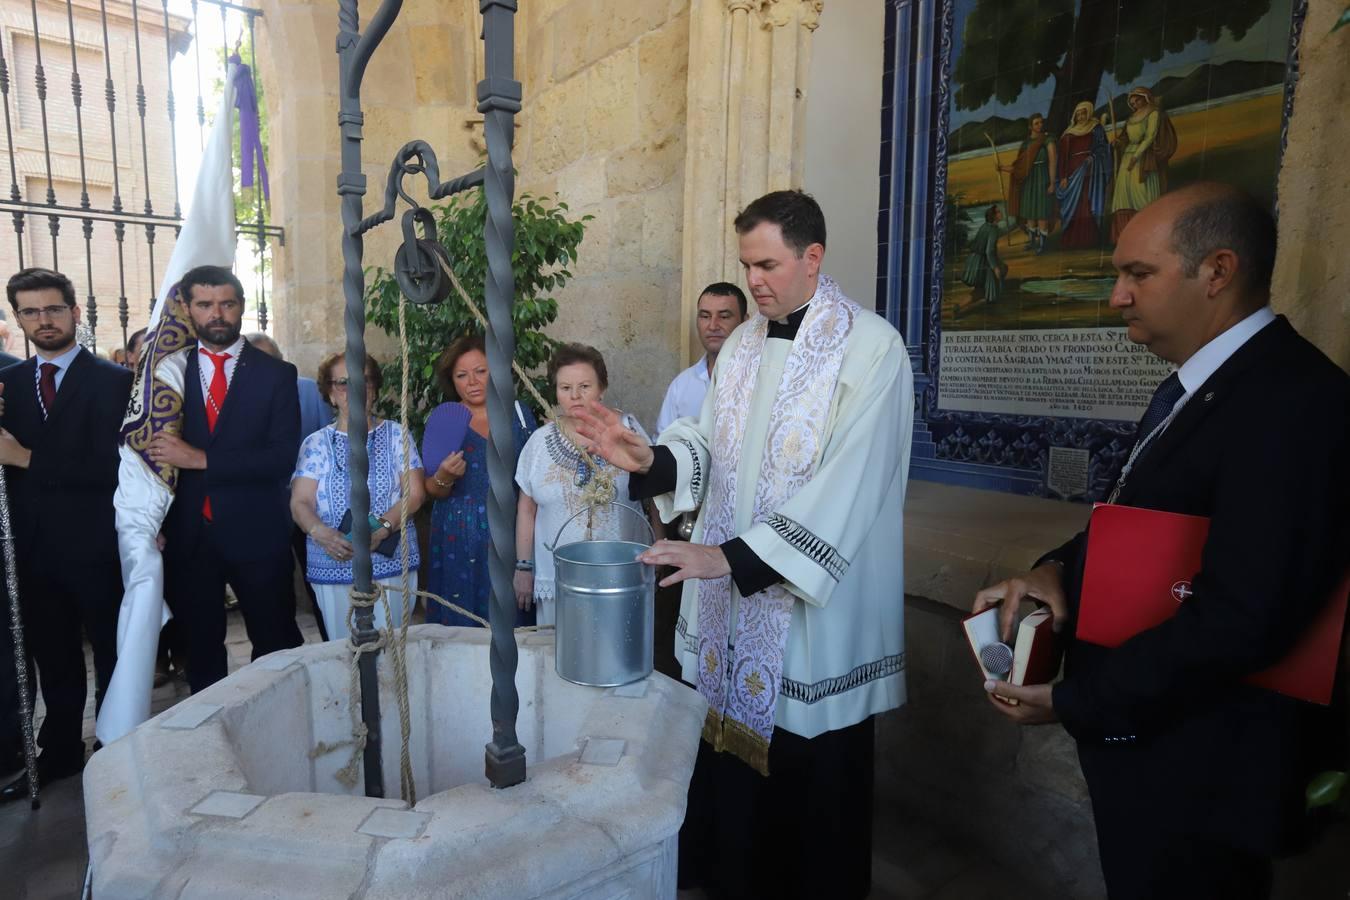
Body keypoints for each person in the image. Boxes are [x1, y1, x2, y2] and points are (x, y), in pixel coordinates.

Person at [973, 184, 1350, 900]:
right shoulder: (1194, 386)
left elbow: (1244, 617)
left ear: (1216, 271)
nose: (1117, 297)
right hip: (1156, 750)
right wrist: (1056, 570)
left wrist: (1074, 700)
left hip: (1208, 766)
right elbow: (1136, 516)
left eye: (1137, 275)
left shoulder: (1292, 403)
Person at [578, 190, 914, 899]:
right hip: (731, 614)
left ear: (812, 257)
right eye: (746, 265)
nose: (755, 280)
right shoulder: (742, 346)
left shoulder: (872, 348)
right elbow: (710, 443)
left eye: (767, 264)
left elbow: (853, 483)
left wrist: (728, 559)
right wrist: (652, 462)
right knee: (728, 779)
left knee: (812, 791)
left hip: (812, 622)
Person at [0, 267, 131, 802]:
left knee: (111, 651)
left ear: (76, 312)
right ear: (18, 319)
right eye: (30, 311)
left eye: (53, 309)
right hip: (32, 549)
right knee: (53, 657)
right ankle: (58, 752)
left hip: (98, 544)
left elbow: (111, 466)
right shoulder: (6, 386)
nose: (43, 320)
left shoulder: (114, 382)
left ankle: (116, 746)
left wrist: (26, 457)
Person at [152, 265, 303, 693]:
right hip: (187, 535)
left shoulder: (277, 374)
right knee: (200, 650)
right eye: (204, 304)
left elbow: (280, 458)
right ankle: (212, 737)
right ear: (187, 308)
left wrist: (199, 459)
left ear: (240, 306)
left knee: (275, 644)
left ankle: (279, 728)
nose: (216, 313)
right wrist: (151, 523)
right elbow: (143, 457)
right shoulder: (166, 373)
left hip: (258, 532)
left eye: (227, 303)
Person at [514, 344, 649, 627]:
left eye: (584, 386)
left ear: (602, 388)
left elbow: (654, 496)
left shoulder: (628, 431)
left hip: (621, 575)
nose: (574, 396)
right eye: (565, 388)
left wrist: (659, 545)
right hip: (558, 578)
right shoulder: (539, 443)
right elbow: (527, 509)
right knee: (556, 657)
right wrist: (524, 567)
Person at [290, 352, 424, 640]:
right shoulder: (314, 444)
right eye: (343, 383)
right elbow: (300, 503)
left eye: (363, 382)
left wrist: (382, 528)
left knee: (394, 648)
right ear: (330, 393)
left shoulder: (397, 435)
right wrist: (320, 531)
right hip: (332, 561)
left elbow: (414, 494)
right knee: (344, 649)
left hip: (390, 562)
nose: (354, 391)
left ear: (374, 390)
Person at [421, 334, 535, 628]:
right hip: (457, 537)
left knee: (513, 622)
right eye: (462, 375)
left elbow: (534, 480)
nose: (472, 381)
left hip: (513, 532)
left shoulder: (520, 414)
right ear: (452, 380)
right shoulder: (446, 419)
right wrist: (444, 478)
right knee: (462, 621)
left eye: (480, 371)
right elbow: (431, 490)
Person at [248, 331, 333, 639]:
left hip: (313, 506)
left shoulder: (309, 392)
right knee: (273, 584)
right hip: (266, 507)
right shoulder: (239, 401)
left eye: (270, 361)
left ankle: (332, 640)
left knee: (321, 583)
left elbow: (331, 441)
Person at [655, 282, 747, 435]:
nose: (712, 326)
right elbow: (663, 442)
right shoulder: (681, 385)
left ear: (745, 322)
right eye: (705, 316)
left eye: (724, 316)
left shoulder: (759, 379)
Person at [1109, 86, 1177, 243]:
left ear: (1145, 98)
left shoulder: (1154, 113)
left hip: (1143, 157)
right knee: (1124, 195)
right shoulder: (1131, 118)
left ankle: (1148, 233)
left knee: (1142, 194)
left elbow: (1150, 136)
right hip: (1127, 157)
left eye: (1137, 100)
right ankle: (1127, 236)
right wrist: (1118, 142)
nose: (1134, 104)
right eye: (1132, 102)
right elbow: (1125, 137)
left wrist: (1137, 155)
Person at [1056, 100, 1112, 250]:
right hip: (1072, 172)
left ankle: (1090, 239)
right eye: (1078, 113)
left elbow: (1102, 148)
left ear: (1089, 113)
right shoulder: (1068, 133)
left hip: (1090, 171)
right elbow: (1061, 158)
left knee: (1087, 202)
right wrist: (1062, 177)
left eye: (1084, 113)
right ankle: (1071, 240)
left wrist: (1093, 157)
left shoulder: (1096, 128)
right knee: (1073, 205)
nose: (1081, 116)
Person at [1000, 112, 1057, 253]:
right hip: (1029, 180)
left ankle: (1043, 245)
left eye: (1041, 122)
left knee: (1042, 212)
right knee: (1030, 213)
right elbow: (1019, 166)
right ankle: (1032, 242)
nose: (1040, 125)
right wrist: (1002, 168)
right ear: (1030, 126)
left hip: (1042, 177)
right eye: (1036, 123)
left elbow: (1053, 161)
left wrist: (1052, 182)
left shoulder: (1048, 139)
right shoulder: (1026, 144)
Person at [959, 204, 1008, 311]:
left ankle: (960, 307)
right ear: (994, 216)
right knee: (985, 286)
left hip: (975, 259)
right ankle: (959, 307)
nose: (1001, 213)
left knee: (983, 286)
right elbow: (989, 251)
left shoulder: (985, 226)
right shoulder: (993, 230)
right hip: (982, 261)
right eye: (998, 212)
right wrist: (995, 267)